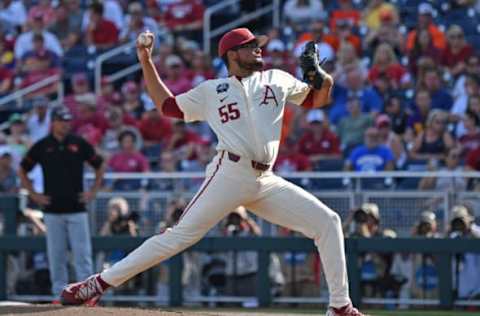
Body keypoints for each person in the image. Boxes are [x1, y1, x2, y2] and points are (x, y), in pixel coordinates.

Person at [61, 27, 365, 316]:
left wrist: (323, 79)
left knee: (328, 222)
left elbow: (317, 99)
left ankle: (339, 306)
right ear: (232, 54)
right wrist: (146, 61)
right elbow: (167, 107)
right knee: (178, 237)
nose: (258, 49)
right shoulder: (211, 90)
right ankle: (98, 283)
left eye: (258, 45)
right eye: (250, 46)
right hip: (229, 174)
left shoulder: (277, 78)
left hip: (266, 179)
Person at [18, 106, 105, 300]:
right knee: (56, 255)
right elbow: (22, 169)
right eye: (61, 120)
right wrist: (34, 194)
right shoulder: (42, 146)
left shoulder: (78, 143)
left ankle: (87, 294)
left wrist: (93, 191)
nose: (65, 124)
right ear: (53, 122)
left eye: (68, 121)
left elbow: (99, 164)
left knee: (82, 255)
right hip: (52, 209)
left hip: (77, 208)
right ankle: (60, 294)